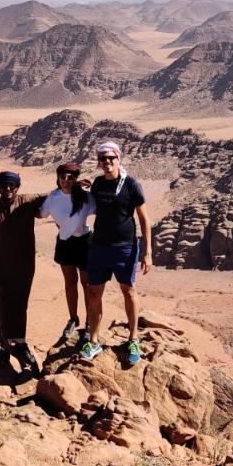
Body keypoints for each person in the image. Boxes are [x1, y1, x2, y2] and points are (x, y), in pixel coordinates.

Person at [80, 141, 150, 366]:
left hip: (125, 248)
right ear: (99, 162)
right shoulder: (98, 184)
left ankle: (133, 339)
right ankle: (94, 340)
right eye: (103, 159)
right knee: (93, 294)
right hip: (99, 246)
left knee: (128, 292)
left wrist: (147, 252)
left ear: (119, 159)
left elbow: (144, 219)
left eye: (111, 158)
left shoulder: (131, 185)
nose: (107, 162)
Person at [0, 171, 45, 377]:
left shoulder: (28, 202)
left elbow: (56, 196)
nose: (8, 190)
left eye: (12, 186)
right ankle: (4, 340)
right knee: (0, 302)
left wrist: (74, 187)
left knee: (20, 304)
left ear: (17, 187)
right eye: (4, 186)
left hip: (23, 267)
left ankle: (18, 344)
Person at [37, 161, 96, 346]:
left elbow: (104, 203)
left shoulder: (86, 197)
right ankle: (73, 319)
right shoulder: (53, 197)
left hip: (85, 242)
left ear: (76, 179)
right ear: (58, 178)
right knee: (70, 283)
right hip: (65, 243)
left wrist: (94, 186)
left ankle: (88, 324)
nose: (66, 181)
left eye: (70, 177)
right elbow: (41, 213)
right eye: (62, 177)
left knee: (87, 285)